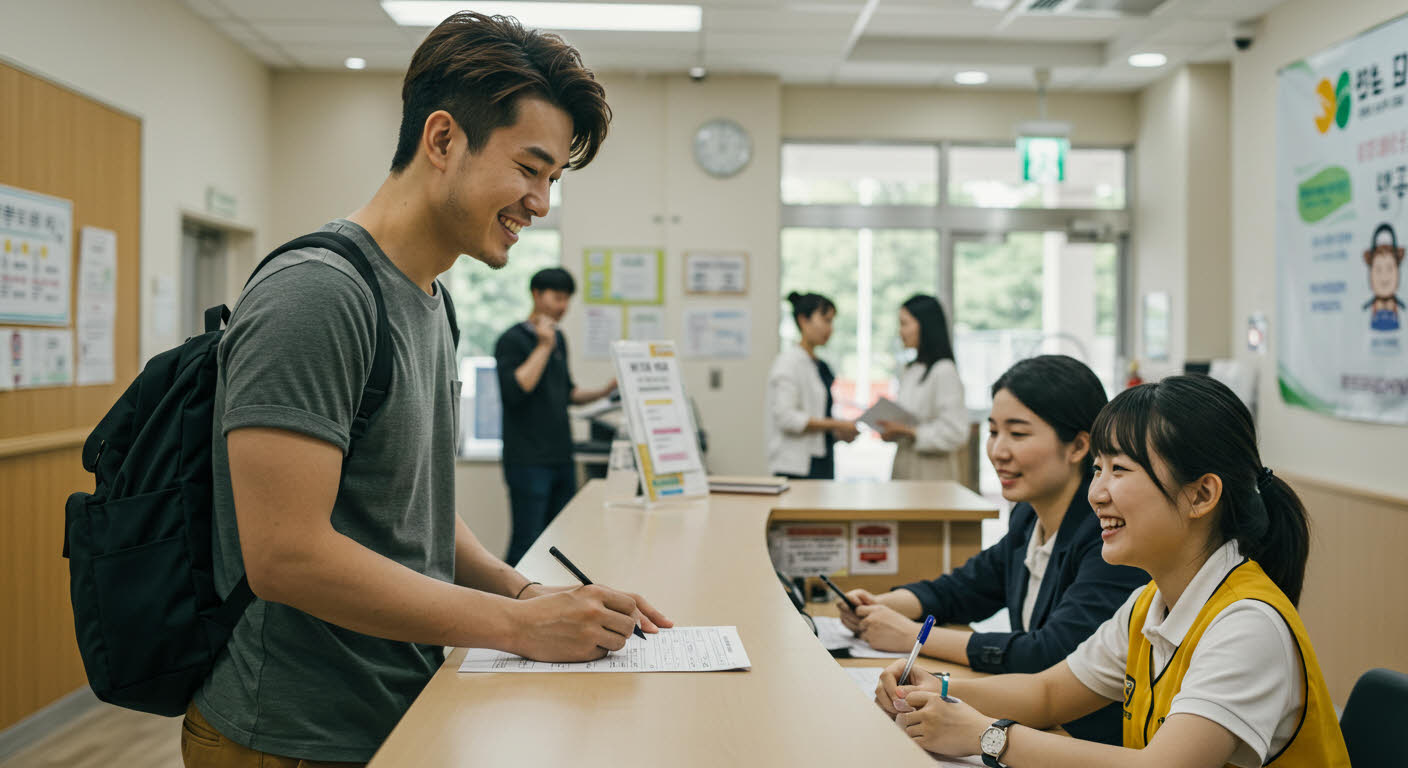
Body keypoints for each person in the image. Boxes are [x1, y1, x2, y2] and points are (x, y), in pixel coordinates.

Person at [187, 13, 671, 767]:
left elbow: (417, 514)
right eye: (529, 168)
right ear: (443, 140)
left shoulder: (429, 301)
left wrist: (523, 595)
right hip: (288, 734)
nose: (541, 203)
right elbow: (285, 556)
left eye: (552, 181)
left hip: (398, 710)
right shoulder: (316, 294)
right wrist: (515, 630)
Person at [875, 375, 1350, 767]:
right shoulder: (1151, 602)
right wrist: (937, 688)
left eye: (1120, 469)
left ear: (1202, 495)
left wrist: (988, 736)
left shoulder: (1246, 624)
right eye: (1097, 469)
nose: (1096, 493)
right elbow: (1048, 693)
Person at [839, 355, 1146, 744]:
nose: (998, 451)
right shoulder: (1028, 518)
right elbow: (968, 586)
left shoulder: (1107, 537)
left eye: (1017, 434)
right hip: (1043, 726)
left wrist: (912, 636)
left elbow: (1050, 653)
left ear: (1079, 445)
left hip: (1083, 738)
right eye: (993, 431)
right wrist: (882, 605)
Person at [496, 267, 616, 566]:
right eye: (557, 297)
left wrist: (605, 391)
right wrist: (544, 346)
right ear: (536, 294)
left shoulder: (560, 339)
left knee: (560, 541)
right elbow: (517, 389)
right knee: (527, 538)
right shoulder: (512, 340)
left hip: (561, 456)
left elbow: (568, 393)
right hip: (527, 460)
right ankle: (510, 606)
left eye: (567, 300)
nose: (563, 306)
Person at [766, 291, 858, 479]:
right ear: (803, 320)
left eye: (832, 322)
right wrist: (835, 423)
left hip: (821, 460)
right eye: (825, 320)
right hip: (795, 467)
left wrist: (838, 432)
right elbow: (786, 417)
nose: (830, 329)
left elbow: (818, 415)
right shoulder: (788, 362)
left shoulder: (818, 365)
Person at [878, 294, 969, 481]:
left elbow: (956, 433)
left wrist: (909, 432)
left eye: (905, 324)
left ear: (924, 325)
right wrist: (893, 431)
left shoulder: (944, 371)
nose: (900, 332)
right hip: (905, 468)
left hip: (933, 473)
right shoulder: (911, 370)